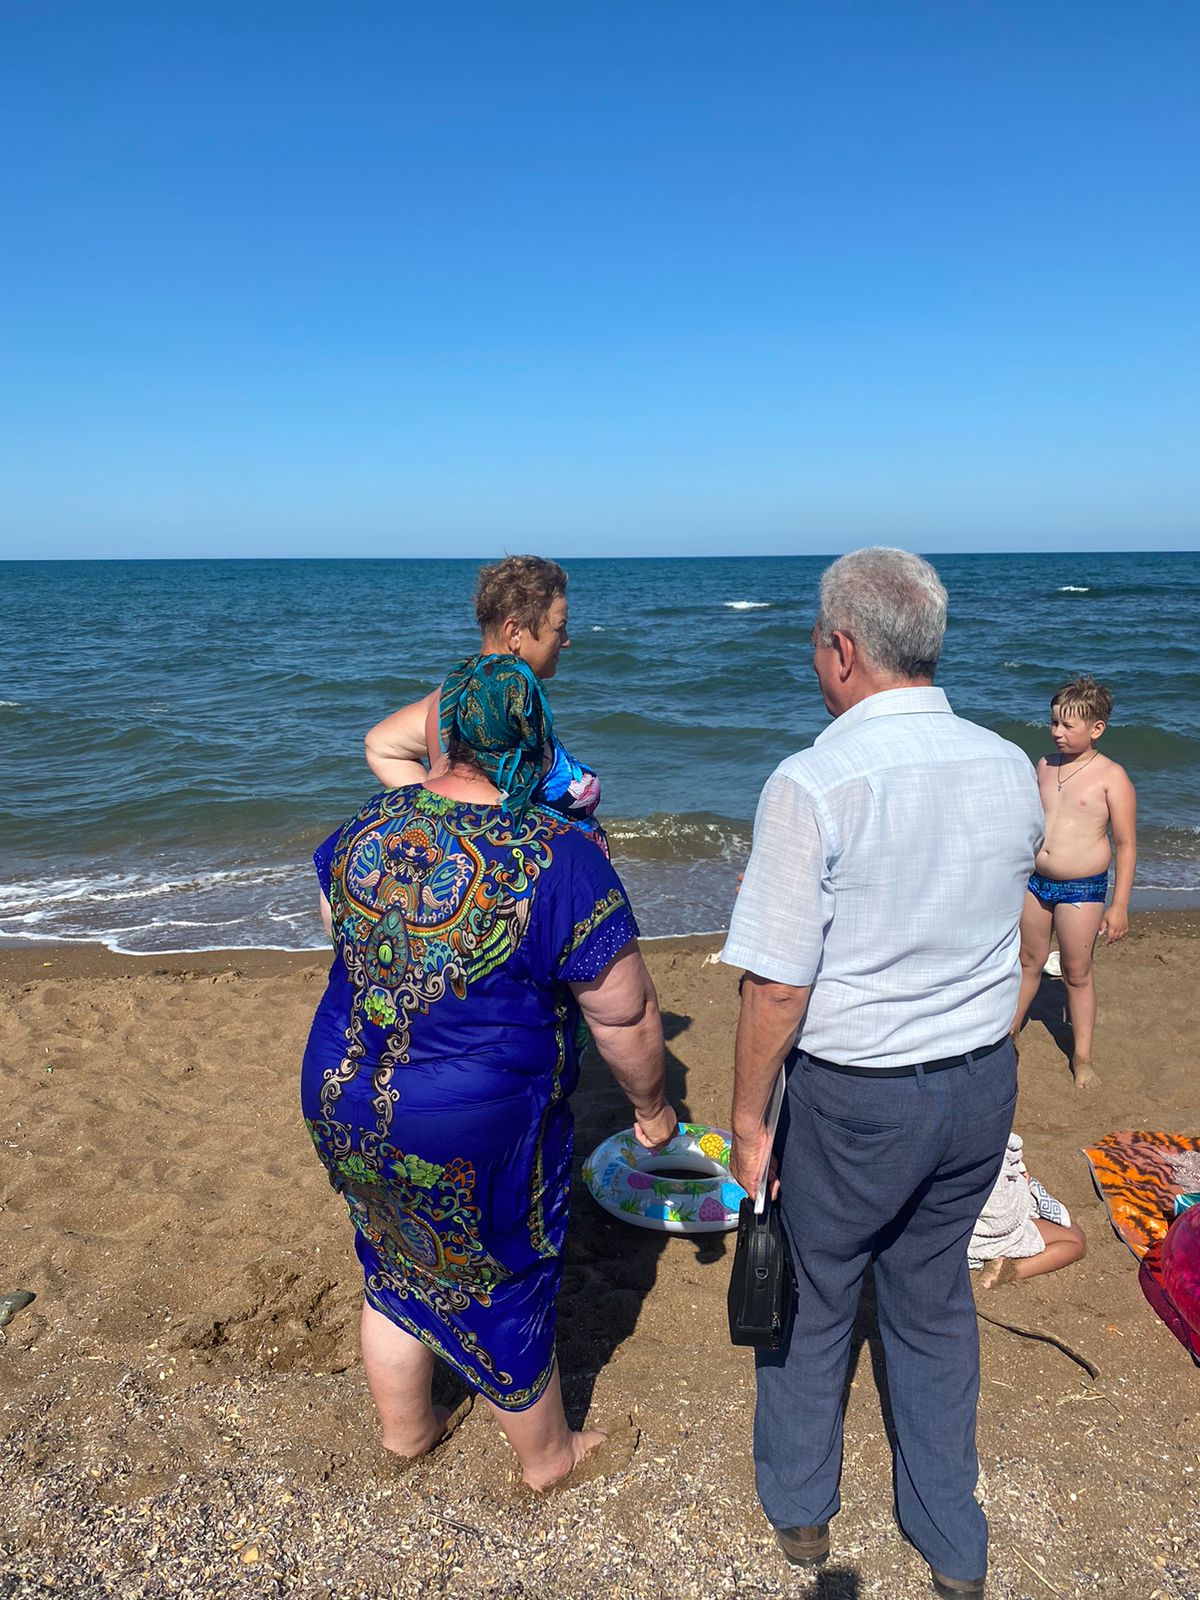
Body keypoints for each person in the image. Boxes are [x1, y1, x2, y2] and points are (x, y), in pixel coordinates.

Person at [723, 548, 1043, 1599]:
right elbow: (1016, 919)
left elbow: (778, 987)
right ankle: (952, 1538)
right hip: (978, 1080)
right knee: (932, 1299)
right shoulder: (1009, 765)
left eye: (818, 645)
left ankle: (803, 1509)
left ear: (843, 650)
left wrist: (748, 1119)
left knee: (815, 1299)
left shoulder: (815, 780)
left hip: (855, 1093)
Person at [302, 653, 676, 1490]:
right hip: (474, 1120)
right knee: (505, 1272)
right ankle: (548, 1458)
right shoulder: (558, 852)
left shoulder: (372, 821)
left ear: (445, 734)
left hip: (342, 1087)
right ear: (537, 739)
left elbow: (337, 921)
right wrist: (652, 1110)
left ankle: (407, 1434)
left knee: (392, 1258)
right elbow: (624, 1014)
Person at [364, 555, 604, 843]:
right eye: (559, 626)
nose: (566, 641)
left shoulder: (454, 692)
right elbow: (469, 793)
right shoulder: (492, 712)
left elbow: (381, 745)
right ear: (515, 632)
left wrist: (428, 798)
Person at [1010, 676, 1137, 1089]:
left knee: (1076, 972)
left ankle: (1082, 1056)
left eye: (1068, 725)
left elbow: (1126, 844)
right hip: (1036, 882)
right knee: (1028, 961)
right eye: (1054, 723)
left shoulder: (1111, 776)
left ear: (1096, 728)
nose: (1057, 732)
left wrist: (1119, 906)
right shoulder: (1045, 765)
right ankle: (1009, 1033)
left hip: (1082, 887)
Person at [968, 1133, 1087, 1288]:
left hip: (943, 1226)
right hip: (979, 1235)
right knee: (1075, 1239)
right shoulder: (988, 1135)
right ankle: (1004, 1271)